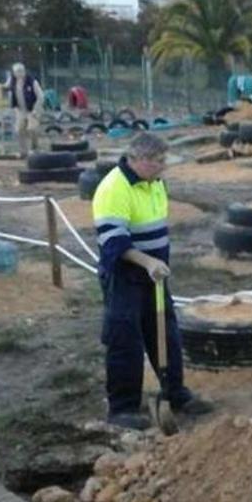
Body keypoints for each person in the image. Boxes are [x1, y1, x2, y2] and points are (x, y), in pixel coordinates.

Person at [93, 133, 213, 430]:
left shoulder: (155, 181)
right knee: (125, 340)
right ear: (137, 160)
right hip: (124, 276)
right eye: (157, 162)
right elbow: (114, 243)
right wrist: (148, 262)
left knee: (166, 334)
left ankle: (176, 393)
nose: (163, 167)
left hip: (154, 276)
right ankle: (122, 408)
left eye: (164, 160)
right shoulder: (113, 189)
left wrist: (156, 265)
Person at [6, 63, 44, 158]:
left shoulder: (32, 82)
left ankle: (34, 148)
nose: (19, 73)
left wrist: (36, 109)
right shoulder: (12, 81)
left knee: (32, 128)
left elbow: (41, 97)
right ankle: (23, 151)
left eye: (21, 71)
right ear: (14, 73)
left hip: (33, 109)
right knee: (19, 130)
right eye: (17, 72)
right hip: (20, 109)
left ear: (24, 71)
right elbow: (5, 87)